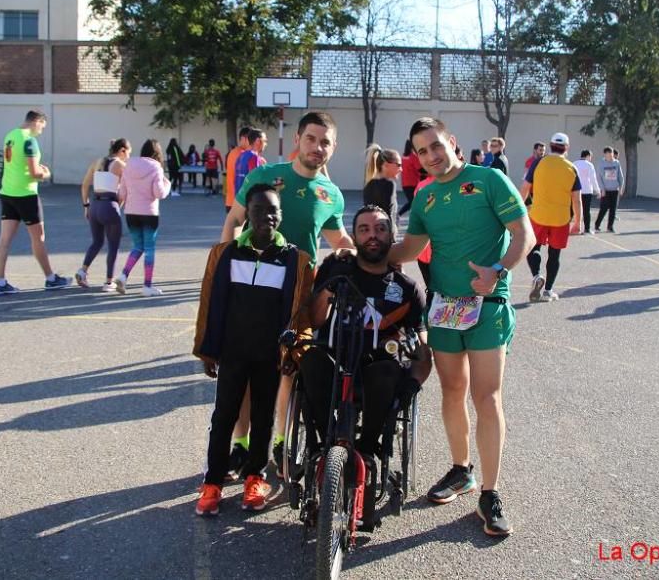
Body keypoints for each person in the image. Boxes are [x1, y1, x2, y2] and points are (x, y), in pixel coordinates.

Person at [389, 117, 534, 538]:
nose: (431, 156)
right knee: (452, 391)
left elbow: (524, 234)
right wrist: (365, 252)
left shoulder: (489, 179)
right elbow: (412, 247)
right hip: (444, 309)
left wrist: (499, 269)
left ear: (452, 142)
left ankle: (490, 492)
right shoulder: (425, 196)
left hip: (487, 304)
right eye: (422, 151)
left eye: (436, 145)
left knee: (486, 396)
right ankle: (461, 470)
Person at [222, 111, 354, 472]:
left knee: (288, 369)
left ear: (333, 147)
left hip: (299, 294)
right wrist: (226, 268)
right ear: (297, 139)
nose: (317, 147)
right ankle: (241, 443)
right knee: (248, 371)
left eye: (325, 142)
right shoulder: (264, 176)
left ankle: (280, 441)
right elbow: (234, 221)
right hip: (254, 286)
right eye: (311, 139)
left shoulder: (331, 194)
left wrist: (364, 256)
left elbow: (337, 238)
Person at [193, 183, 314, 516]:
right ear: (248, 214)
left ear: (281, 216)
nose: (266, 217)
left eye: (273, 211)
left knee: (263, 419)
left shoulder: (294, 260)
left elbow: (300, 312)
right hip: (233, 353)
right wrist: (208, 349)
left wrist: (293, 353)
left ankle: (255, 478)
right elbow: (210, 304)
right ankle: (213, 482)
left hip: (269, 356)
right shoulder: (227, 254)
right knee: (223, 418)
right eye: (259, 210)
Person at [299, 205, 432, 461]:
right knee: (311, 358)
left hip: (376, 369)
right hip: (333, 361)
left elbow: (422, 351)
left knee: (387, 370)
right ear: (355, 236)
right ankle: (326, 444)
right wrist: (329, 287)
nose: (373, 235)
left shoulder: (407, 289)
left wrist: (413, 384)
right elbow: (314, 321)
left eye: (380, 229)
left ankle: (367, 448)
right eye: (364, 229)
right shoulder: (335, 267)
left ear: (391, 236)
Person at [0, 110, 69, 294]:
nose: (42, 130)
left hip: (7, 192)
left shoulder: (10, 135)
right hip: (26, 195)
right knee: (38, 238)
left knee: (4, 240)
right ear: (38, 121)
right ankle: (51, 279)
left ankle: (0, 282)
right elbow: (34, 173)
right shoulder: (29, 141)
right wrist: (46, 173)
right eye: (43, 125)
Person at [521, 133, 582, 302]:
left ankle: (536, 276)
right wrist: (578, 222)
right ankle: (548, 291)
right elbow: (576, 199)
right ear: (567, 148)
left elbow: (525, 188)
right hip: (561, 218)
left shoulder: (538, 163)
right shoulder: (572, 168)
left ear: (550, 145)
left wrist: (518, 210)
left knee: (533, 248)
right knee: (555, 255)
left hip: (538, 215)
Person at [114, 139, 172, 296]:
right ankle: (147, 286)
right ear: (157, 153)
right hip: (149, 213)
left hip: (131, 212)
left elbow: (122, 193)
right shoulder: (156, 167)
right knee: (149, 249)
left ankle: (123, 275)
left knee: (138, 246)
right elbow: (159, 193)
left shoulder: (129, 165)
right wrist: (168, 185)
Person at [75, 138, 130, 292]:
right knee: (113, 244)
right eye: (128, 152)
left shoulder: (97, 162)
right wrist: (118, 207)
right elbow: (125, 191)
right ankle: (108, 282)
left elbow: (85, 184)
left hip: (95, 205)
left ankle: (83, 270)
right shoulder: (121, 165)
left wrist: (86, 205)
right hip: (109, 204)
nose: (128, 156)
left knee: (97, 242)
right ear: (122, 150)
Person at [363, 144, 402, 229]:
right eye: (398, 165)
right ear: (386, 165)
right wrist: (392, 238)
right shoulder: (389, 185)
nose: (401, 169)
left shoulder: (368, 185)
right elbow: (389, 216)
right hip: (385, 238)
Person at [594, 146, 624, 232]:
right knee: (603, 208)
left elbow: (620, 176)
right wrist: (602, 189)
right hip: (606, 190)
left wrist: (621, 187)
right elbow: (599, 177)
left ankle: (610, 227)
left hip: (615, 189)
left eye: (611, 155)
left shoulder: (616, 163)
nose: (610, 157)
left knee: (613, 209)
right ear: (605, 155)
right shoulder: (601, 163)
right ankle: (597, 224)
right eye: (607, 155)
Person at [234, 128, 268, 198]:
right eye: (264, 141)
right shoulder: (254, 157)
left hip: (239, 199)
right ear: (258, 141)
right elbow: (255, 181)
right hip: (249, 200)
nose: (265, 144)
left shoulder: (241, 156)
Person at [573, 149, 601, 234]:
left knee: (575, 210)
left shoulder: (574, 164)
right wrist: (598, 190)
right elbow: (593, 179)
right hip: (587, 190)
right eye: (590, 157)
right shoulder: (589, 165)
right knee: (586, 210)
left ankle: (575, 228)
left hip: (576, 190)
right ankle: (587, 229)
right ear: (588, 156)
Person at [224, 127, 251, 213]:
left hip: (232, 201)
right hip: (239, 201)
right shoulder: (241, 154)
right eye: (251, 139)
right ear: (243, 138)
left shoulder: (233, 153)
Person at [399, 138, 421, 217]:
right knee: (413, 202)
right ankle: (398, 214)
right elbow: (420, 170)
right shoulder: (413, 157)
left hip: (405, 184)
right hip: (413, 184)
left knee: (413, 202)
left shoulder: (403, 157)